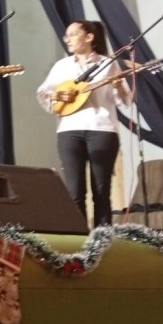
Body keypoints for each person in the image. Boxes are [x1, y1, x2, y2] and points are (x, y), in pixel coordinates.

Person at [36, 20, 131, 227]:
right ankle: (77, 237)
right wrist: (57, 94)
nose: (67, 39)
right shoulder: (62, 66)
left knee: (101, 191)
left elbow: (125, 100)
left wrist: (118, 86)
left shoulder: (108, 63)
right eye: (66, 36)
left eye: (72, 35)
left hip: (102, 129)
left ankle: (102, 238)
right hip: (69, 131)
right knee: (74, 191)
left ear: (89, 37)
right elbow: (43, 93)